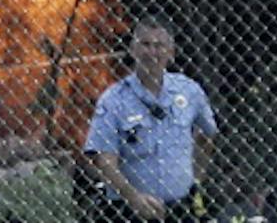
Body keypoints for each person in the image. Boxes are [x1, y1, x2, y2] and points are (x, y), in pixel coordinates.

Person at [83, 21, 216, 223]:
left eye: (159, 45)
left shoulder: (190, 91)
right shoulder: (113, 100)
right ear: (132, 49)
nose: (152, 52)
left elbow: (207, 136)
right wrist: (134, 198)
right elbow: (104, 161)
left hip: (180, 210)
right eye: (145, 44)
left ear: (171, 52)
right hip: (128, 212)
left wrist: (195, 180)